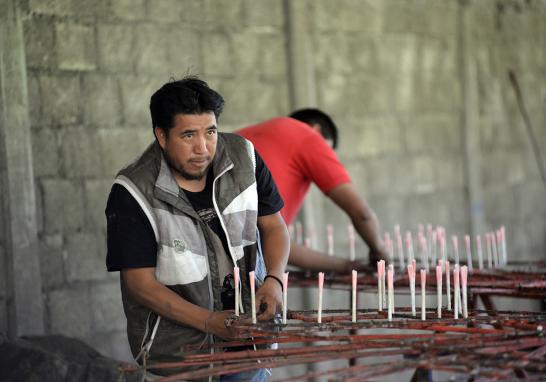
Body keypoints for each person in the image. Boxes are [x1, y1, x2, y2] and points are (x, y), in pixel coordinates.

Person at [105, 76, 289, 380]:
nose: (203, 148)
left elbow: (274, 225)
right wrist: (209, 322)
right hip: (180, 359)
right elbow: (140, 284)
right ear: (161, 136)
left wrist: (274, 280)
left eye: (211, 132)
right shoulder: (133, 190)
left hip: (250, 347)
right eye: (188, 135)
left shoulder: (243, 157)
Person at [237, 109, 387, 273]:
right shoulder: (308, 137)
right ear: (316, 130)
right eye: (327, 150)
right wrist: (379, 251)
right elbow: (362, 214)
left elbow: (271, 244)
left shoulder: (242, 137)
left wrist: (347, 266)